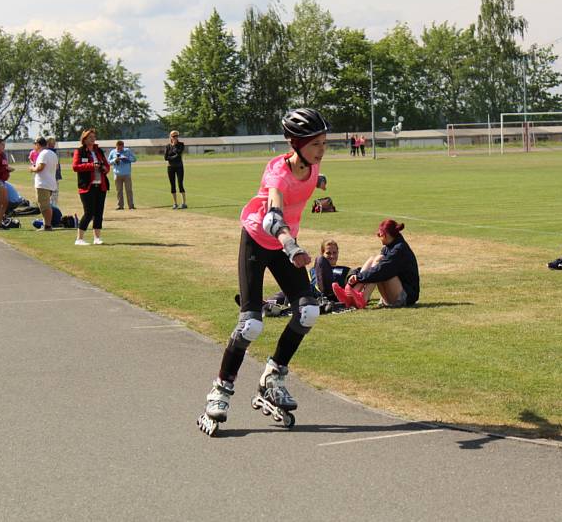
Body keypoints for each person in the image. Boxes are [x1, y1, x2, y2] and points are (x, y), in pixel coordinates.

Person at [197, 107, 330, 436]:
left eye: (324, 143)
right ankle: (220, 391)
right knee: (252, 323)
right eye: (316, 144)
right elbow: (272, 217)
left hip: (287, 247)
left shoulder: (312, 166)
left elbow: (310, 181)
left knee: (310, 311)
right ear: (295, 144)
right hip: (259, 241)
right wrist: (291, 246)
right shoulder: (277, 175)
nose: (322, 149)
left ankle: (273, 376)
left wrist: (319, 181)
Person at [332, 219, 420, 310]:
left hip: (405, 297)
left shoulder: (399, 249)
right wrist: (355, 274)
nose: (378, 236)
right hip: (394, 293)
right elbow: (375, 269)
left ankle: (363, 298)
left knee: (379, 264)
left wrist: (358, 277)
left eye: (379, 234)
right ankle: (350, 295)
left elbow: (381, 270)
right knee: (373, 260)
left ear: (386, 235)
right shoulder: (389, 247)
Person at [72, 128, 110, 245]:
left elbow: (107, 166)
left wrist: (104, 168)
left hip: (100, 186)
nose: (93, 139)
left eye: (94, 137)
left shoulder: (99, 151)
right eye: (90, 137)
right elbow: (75, 167)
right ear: (84, 139)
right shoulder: (79, 151)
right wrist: (91, 166)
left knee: (99, 213)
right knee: (89, 213)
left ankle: (97, 238)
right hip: (87, 186)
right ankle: (79, 238)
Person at [29, 137, 59, 232]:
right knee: (46, 205)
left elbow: (40, 167)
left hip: (43, 183)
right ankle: (47, 224)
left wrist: (32, 168)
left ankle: (47, 225)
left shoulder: (43, 154)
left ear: (38, 144)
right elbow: (57, 167)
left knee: (44, 205)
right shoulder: (52, 153)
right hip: (50, 182)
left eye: (35, 144)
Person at [108, 140, 137, 210]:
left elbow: (134, 159)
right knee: (119, 191)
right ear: (116, 146)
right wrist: (115, 160)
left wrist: (127, 158)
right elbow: (108, 162)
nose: (119, 150)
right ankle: (120, 206)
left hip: (127, 174)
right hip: (117, 174)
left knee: (129, 190)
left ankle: (131, 206)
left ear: (123, 146)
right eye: (118, 148)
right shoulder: (113, 152)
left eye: (120, 148)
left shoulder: (127, 151)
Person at [0, 138, 15, 229]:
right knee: (0, 203)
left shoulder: (3, 155)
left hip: (2, 181)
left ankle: (0, 220)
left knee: (5, 202)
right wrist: (6, 169)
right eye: (2, 144)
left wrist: (8, 171)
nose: (4, 146)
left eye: (4, 144)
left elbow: (3, 167)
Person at [164, 130, 187, 209]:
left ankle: (184, 203)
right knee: (172, 185)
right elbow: (165, 158)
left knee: (180, 184)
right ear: (170, 137)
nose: (175, 137)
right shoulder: (167, 146)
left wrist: (173, 148)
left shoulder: (181, 144)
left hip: (179, 166)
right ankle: (175, 203)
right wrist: (172, 156)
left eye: (176, 136)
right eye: (173, 136)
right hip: (170, 167)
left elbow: (178, 153)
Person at [47, 137, 62, 207]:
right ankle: (53, 209)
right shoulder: (52, 152)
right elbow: (56, 167)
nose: (54, 144)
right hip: (53, 177)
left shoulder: (45, 152)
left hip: (50, 176)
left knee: (51, 196)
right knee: (54, 196)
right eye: (52, 143)